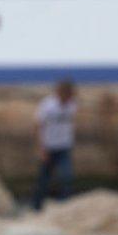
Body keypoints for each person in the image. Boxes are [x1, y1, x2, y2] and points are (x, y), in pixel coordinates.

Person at [32, 79, 78, 211]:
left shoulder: (72, 105)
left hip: (64, 146)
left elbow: (71, 123)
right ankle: (36, 207)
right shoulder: (48, 105)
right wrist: (41, 148)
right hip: (49, 146)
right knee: (43, 180)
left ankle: (64, 205)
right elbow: (38, 125)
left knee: (67, 177)